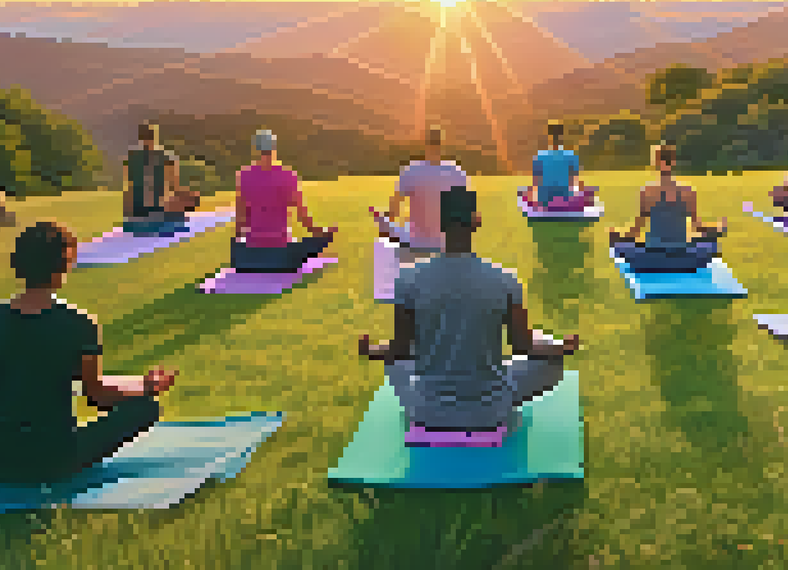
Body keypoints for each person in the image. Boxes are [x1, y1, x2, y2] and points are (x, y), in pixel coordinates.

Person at [0, 222, 176, 484]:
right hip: (53, 459)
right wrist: (147, 389)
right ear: (62, 267)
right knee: (147, 409)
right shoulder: (79, 323)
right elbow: (96, 395)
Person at [358, 186, 581, 432]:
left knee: (395, 360)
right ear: (477, 222)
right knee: (550, 356)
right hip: (490, 410)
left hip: (426, 410)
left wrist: (371, 350)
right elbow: (523, 346)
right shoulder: (505, 279)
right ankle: (490, 377)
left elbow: (398, 349)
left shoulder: (407, 278)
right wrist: (562, 347)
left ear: (440, 224)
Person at [609, 145, 728, 272]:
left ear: (655, 164)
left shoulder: (647, 192)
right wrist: (718, 228)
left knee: (622, 246)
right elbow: (698, 228)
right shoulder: (688, 191)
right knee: (709, 245)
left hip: (653, 259)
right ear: (673, 162)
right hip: (683, 258)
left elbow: (635, 232)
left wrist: (618, 236)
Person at [233, 129, 336, 272]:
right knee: (318, 242)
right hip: (281, 247)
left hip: (254, 246)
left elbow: (241, 213)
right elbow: (301, 212)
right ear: (274, 150)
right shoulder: (287, 175)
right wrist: (318, 233)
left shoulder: (244, 175)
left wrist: (237, 241)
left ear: (255, 150)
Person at [373, 125, 468, 260]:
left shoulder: (411, 171)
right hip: (445, 246)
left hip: (415, 245)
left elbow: (393, 210)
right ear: (442, 144)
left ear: (425, 144)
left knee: (386, 237)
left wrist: (386, 223)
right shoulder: (458, 173)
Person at [122, 123, 200, 236]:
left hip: (141, 213)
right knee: (178, 221)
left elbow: (129, 189)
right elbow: (175, 187)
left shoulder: (133, 158)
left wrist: (128, 215)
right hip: (156, 211)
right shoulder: (165, 158)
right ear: (154, 138)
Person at [526, 121, 597, 210]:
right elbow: (575, 181)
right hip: (565, 198)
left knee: (525, 191)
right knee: (588, 190)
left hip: (544, 200)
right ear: (562, 137)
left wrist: (534, 199)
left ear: (549, 137)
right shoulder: (571, 156)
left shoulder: (539, 157)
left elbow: (536, 183)